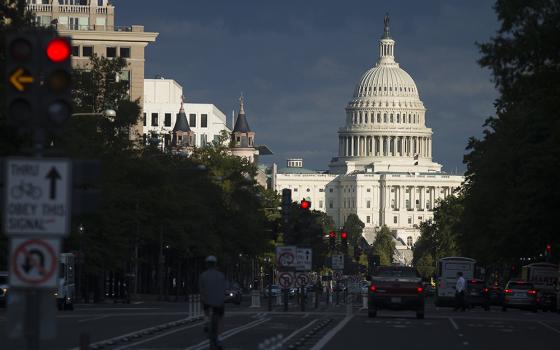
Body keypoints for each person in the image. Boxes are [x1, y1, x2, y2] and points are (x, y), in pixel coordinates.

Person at [199, 255, 226, 346]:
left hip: (207, 302)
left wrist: (203, 299)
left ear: (207, 264)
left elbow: (201, 290)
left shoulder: (203, 276)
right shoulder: (221, 275)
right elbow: (223, 290)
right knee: (221, 318)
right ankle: (220, 336)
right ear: (215, 264)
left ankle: (206, 322)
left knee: (205, 310)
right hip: (218, 303)